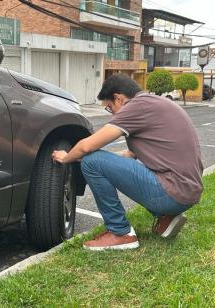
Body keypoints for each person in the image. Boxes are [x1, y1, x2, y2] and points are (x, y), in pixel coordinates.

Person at [52, 74, 203, 251]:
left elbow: (87, 146)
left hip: (173, 192)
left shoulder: (136, 107)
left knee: (91, 161)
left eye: (109, 107)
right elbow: (128, 156)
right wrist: (87, 158)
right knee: (95, 160)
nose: (112, 113)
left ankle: (120, 232)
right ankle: (166, 216)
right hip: (187, 192)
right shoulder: (156, 103)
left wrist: (66, 157)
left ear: (119, 98)